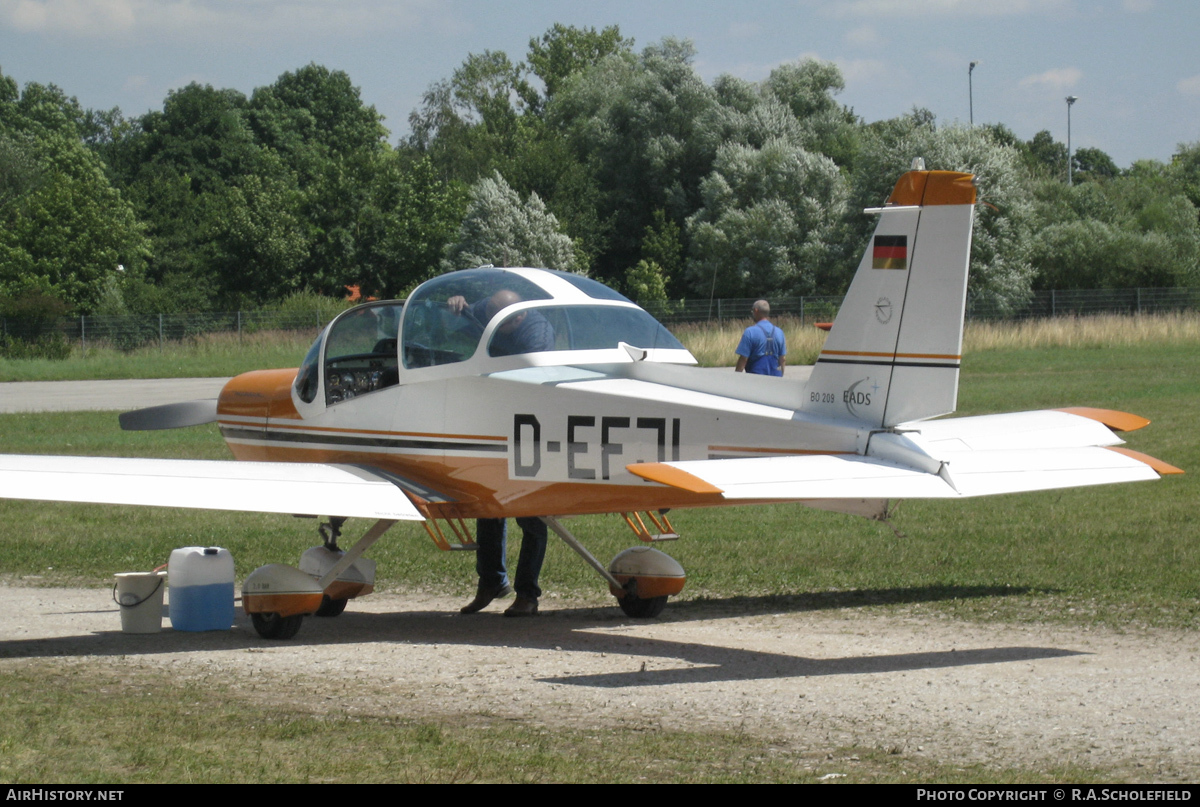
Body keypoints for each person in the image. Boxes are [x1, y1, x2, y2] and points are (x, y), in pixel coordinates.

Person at [448, 289, 554, 617]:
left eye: (497, 321)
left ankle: (528, 594)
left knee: (530, 513)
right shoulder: (491, 310)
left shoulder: (537, 333)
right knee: (488, 504)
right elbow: (461, 324)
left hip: (533, 426)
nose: (486, 320)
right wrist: (456, 305)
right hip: (494, 423)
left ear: (517, 317)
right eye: (484, 314)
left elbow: (525, 379)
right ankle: (492, 582)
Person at [734, 299, 786, 377]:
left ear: (756, 310)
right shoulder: (779, 332)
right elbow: (782, 359)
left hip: (757, 379)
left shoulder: (750, 332)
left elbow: (743, 359)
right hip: (775, 380)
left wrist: (736, 377)